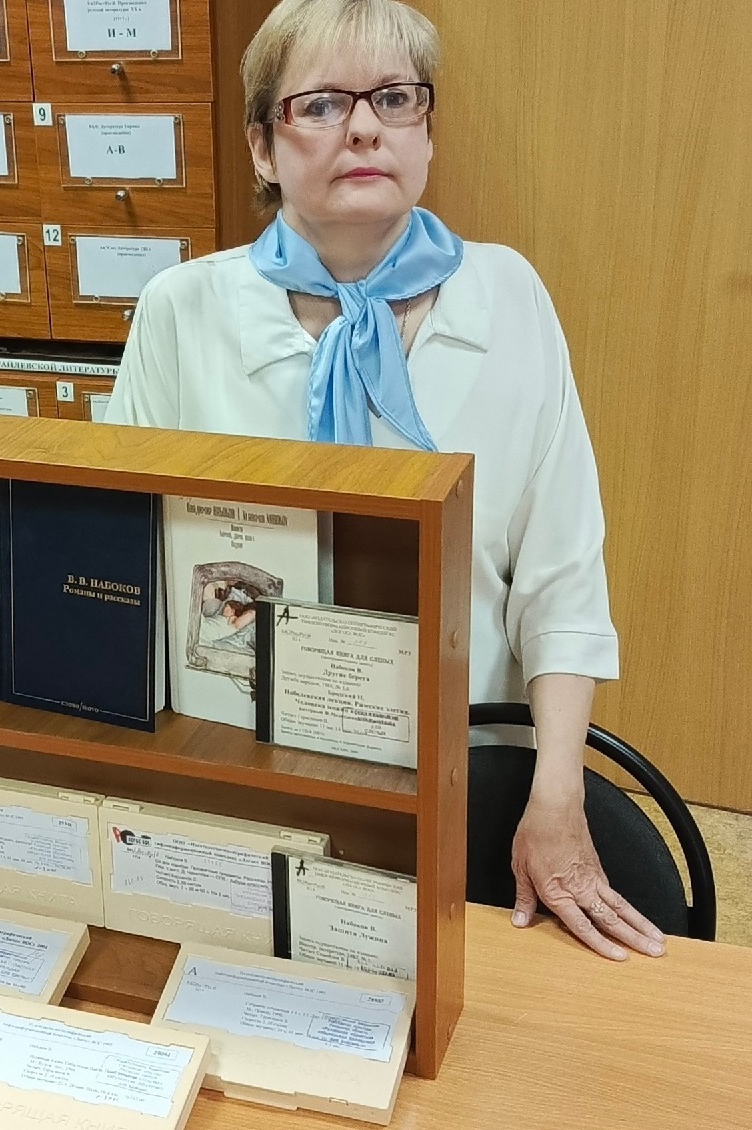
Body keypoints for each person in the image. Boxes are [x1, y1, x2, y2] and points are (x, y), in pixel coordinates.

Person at [104, 0, 666, 962]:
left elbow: (562, 575)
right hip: (241, 774)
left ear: (426, 131)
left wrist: (557, 796)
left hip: (468, 772)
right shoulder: (181, 310)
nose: (364, 128)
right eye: (322, 104)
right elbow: (127, 570)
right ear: (262, 147)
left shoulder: (511, 296)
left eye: (395, 99)